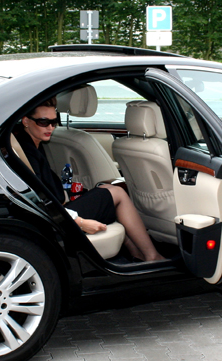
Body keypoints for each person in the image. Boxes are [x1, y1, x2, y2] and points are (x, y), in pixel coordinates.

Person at [13, 98, 165, 262]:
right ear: (26, 121)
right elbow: (38, 199)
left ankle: (137, 254)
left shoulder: (30, 143)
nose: (50, 127)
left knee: (107, 189)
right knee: (117, 192)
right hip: (53, 220)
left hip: (56, 211)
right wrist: (80, 222)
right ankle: (152, 255)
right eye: (43, 122)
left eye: (54, 122)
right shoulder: (28, 152)